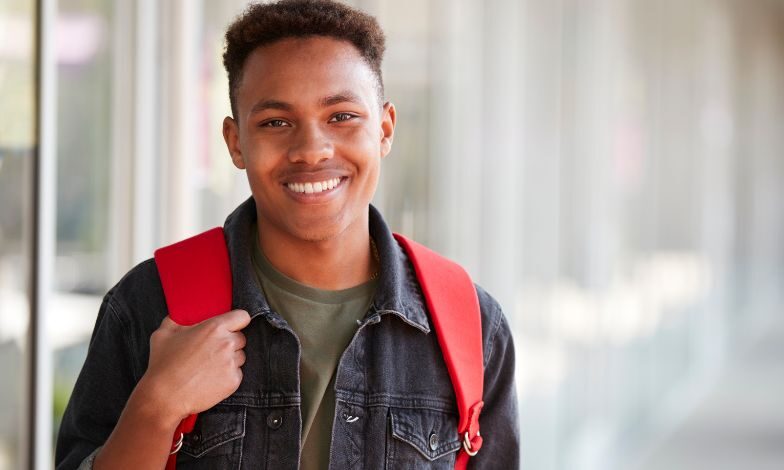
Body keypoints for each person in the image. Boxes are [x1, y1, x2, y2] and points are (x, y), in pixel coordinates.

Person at [55, 1, 519, 468]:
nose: (311, 151)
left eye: (342, 116)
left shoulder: (471, 327)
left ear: (384, 129)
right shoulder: (151, 306)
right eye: (276, 122)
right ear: (237, 143)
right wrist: (157, 406)